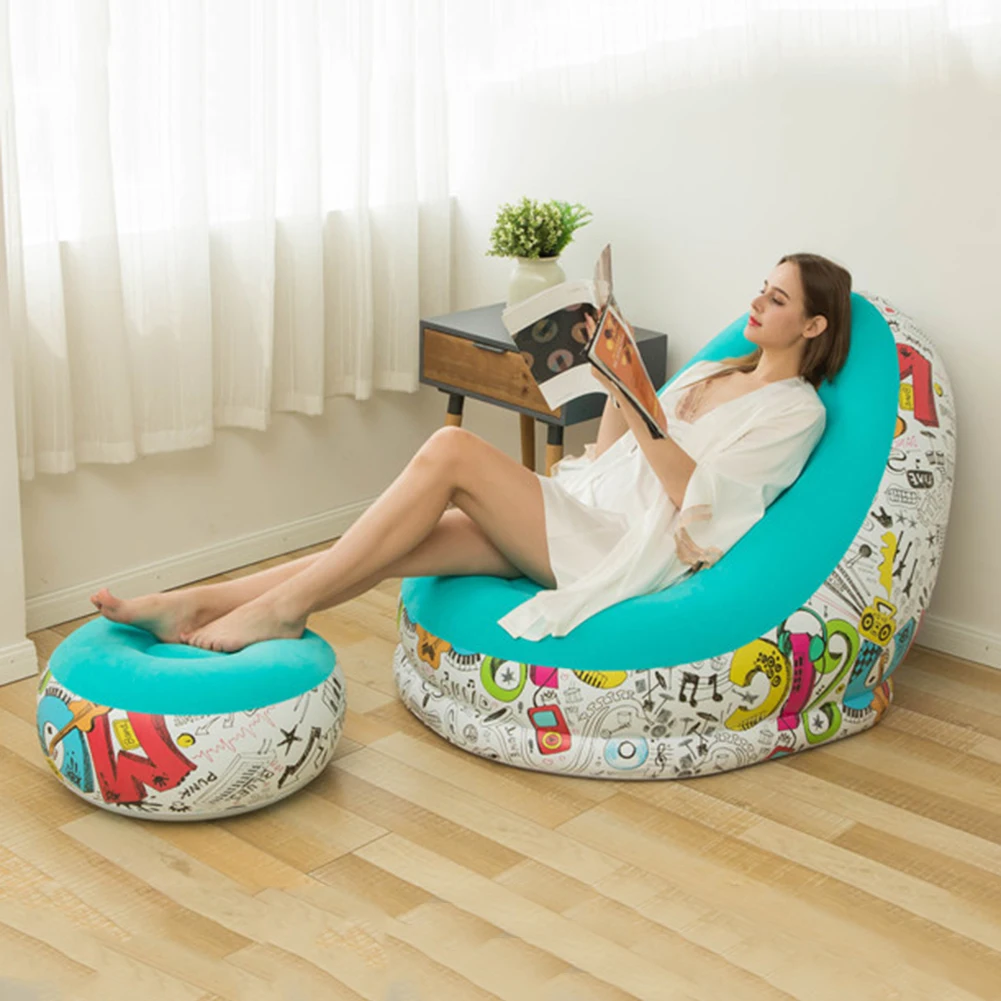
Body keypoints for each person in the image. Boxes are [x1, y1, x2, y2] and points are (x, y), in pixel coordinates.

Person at [91, 252, 851, 652]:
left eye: (777, 298)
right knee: (387, 546)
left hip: (621, 546)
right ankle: (195, 604)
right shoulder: (716, 371)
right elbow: (614, 456)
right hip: (589, 506)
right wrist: (613, 381)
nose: (756, 302)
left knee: (452, 448)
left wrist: (642, 409)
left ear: (813, 327)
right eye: (761, 287)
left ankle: (283, 610)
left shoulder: (796, 412)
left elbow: (701, 507)